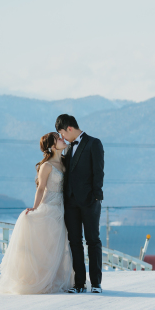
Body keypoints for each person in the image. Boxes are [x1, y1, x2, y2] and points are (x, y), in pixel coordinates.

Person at [0, 132, 74, 294]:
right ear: (53, 146)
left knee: (60, 244)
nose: (63, 139)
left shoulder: (65, 162)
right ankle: (42, 280)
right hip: (50, 207)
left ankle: (57, 278)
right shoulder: (46, 166)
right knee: (48, 244)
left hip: (63, 207)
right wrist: (35, 208)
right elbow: (41, 188)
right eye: (59, 139)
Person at [56, 114, 104, 294]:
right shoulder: (68, 148)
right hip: (70, 203)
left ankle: (96, 283)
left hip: (90, 201)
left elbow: (99, 171)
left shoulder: (94, 143)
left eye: (62, 133)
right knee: (74, 242)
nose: (62, 137)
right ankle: (79, 284)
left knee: (93, 241)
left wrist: (96, 197)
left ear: (69, 128)